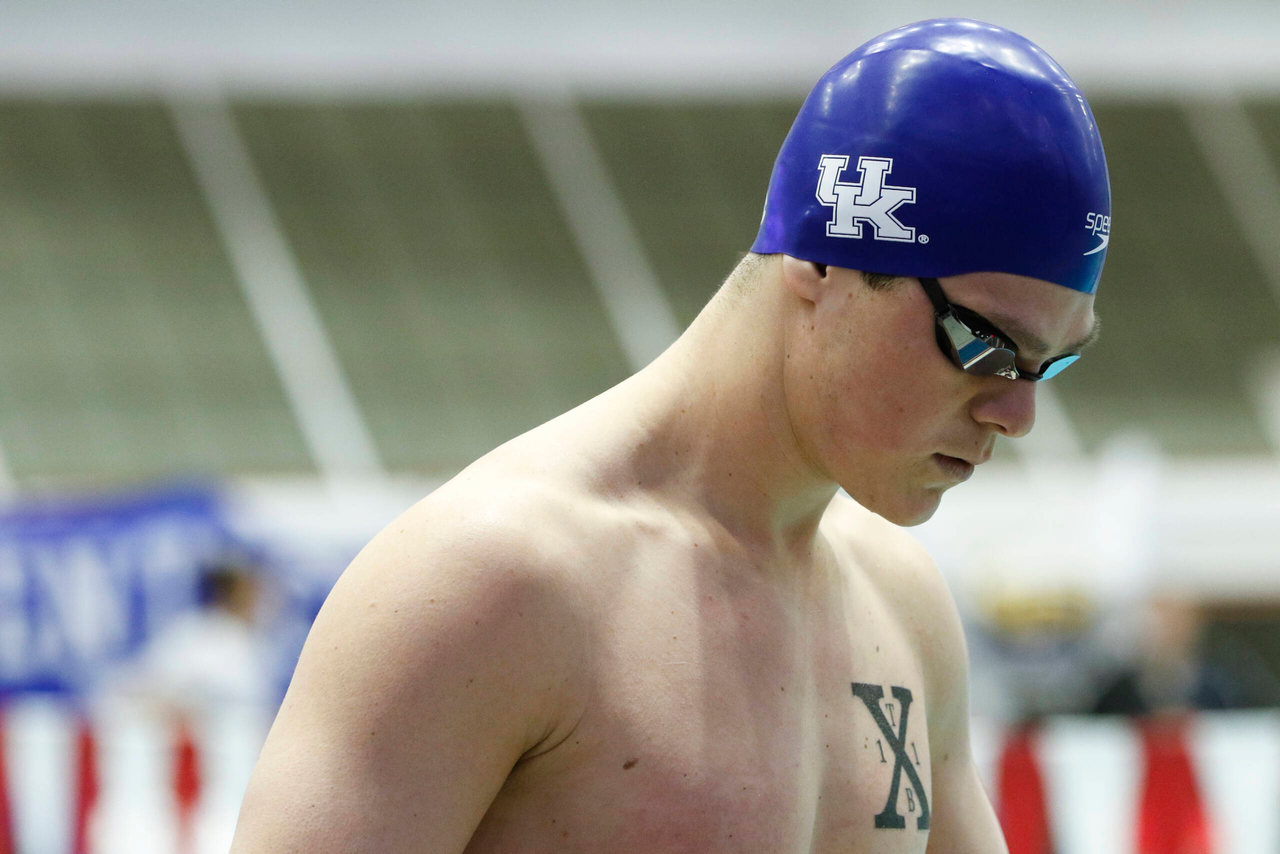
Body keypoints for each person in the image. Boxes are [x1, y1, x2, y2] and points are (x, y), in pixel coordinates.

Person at [231, 18, 1107, 854]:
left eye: (1051, 364)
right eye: (984, 345)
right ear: (823, 256)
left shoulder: (905, 612)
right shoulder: (496, 582)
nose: (1017, 413)